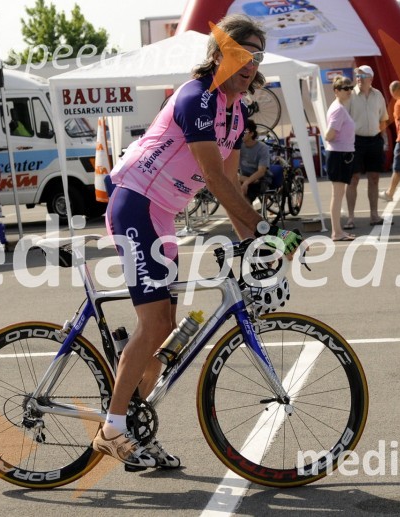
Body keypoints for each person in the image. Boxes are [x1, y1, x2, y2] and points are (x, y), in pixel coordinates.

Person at [97, 14, 302, 470]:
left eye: (257, 56)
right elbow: (211, 177)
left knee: (165, 328)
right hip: (135, 203)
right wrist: (263, 229)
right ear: (220, 53)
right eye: (242, 53)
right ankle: (111, 427)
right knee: (152, 324)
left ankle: (133, 426)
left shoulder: (236, 111)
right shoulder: (197, 99)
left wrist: (254, 237)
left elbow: (231, 186)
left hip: (162, 214)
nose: (250, 64)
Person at [345, 65, 389, 228]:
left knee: (374, 178)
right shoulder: (350, 95)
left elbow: (383, 118)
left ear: (370, 78)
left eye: (362, 76)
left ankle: (374, 215)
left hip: (374, 140)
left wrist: (383, 138)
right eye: (357, 75)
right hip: (355, 141)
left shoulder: (378, 95)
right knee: (353, 179)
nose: (358, 78)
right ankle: (350, 218)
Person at [324, 75, 356, 241]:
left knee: (338, 194)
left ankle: (338, 231)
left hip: (340, 154)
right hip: (338, 155)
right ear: (336, 91)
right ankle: (336, 232)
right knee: (337, 195)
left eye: (350, 88)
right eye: (345, 88)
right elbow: (329, 134)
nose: (349, 91)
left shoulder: (340, 107)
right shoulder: (338, 109)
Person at [237, 119, 271, 202]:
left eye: (244, 132)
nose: (241, 134)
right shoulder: (238, 146)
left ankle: (247, 212)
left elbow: (261, 171)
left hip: (261, 179)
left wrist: (247, 182)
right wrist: (244, 180)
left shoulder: (262, 148)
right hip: (244, 177)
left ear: (251, 133)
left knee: (246, 194)